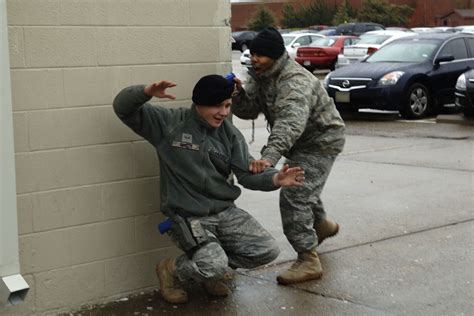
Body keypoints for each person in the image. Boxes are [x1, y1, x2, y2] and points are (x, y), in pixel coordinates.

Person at [113, 74, 305, 304]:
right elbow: (122, 108)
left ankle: (211, 272)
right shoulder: (169, 123)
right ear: (199, 103)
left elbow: (246, 174)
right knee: (213, 264)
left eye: (227, 105)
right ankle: (172, 270)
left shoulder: (230, 134)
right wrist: (145, 92)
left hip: (224, 211)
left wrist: (275, 179)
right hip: (187, 214)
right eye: (217, 105)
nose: (223, 113)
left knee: (266, 250)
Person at [231, 27, 345, 285]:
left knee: (294, 195)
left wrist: (269, 157)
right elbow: (250, 110)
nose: (255, 59)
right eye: (253, 54)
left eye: (260, 55)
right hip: (300, 143)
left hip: (320, 142)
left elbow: (289, 124)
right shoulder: (262, 76)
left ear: (275, 55)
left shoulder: (294, 81)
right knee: (301, 187)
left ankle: (308, 260)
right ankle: (322, 225)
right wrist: (238, 95)